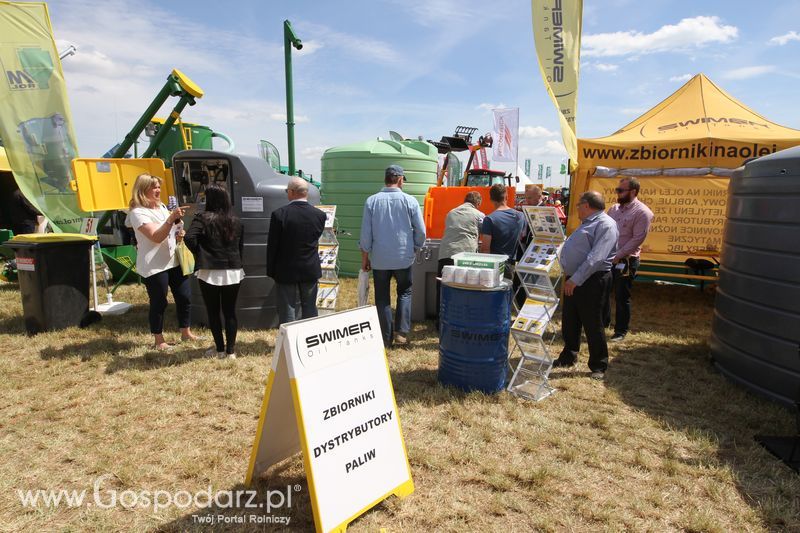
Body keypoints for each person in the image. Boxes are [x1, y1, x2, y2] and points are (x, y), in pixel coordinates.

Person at [126, 173, 199, 350]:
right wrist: (170, 219)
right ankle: (159, 340)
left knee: (184, 297)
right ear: (143, 190)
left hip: (174, 260)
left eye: (159, 186)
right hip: (154, 265)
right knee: (159, 302)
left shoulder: (162, 207)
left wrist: (178, 233)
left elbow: (170, 231)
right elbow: (156, 237)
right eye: (154, 187)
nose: (158, 190)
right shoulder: (137, 213)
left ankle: (186, 332)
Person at [552, 191, 618, 380]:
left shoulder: (606, 225)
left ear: (587, 205)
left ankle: (598, 364)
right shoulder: (588, 223)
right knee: (570, 319)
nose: (577, 209)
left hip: (592, 279)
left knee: (592, 321)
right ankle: (568, 355)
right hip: (575, 278)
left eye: (578, 205)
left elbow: (596, 257)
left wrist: (576, 279)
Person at [360, 164, 426, 347]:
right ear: (399, 179)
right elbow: (421, 231)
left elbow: (366, 235)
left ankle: (385, 337)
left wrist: (365, 259)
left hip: (380, 259)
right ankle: (401, 333)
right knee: (404, 292)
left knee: (382, 297)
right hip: (403, 257)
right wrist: (415, 247)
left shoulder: (371, 201)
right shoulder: (410, 201)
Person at [184, 184, 244, 359]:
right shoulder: (236, 220)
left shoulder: (203, 218)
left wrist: (200, 253)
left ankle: (219, 350)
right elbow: (240, 247)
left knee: (213, 311)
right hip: (233, 269)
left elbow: (189, 237)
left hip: (209, 270)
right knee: (230, 311)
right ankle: (231, 351)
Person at [267, 177, 327, 325]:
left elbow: (272, 246)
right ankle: (310, 339)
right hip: (310, 267)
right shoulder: (320, 215)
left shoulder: (279, 215)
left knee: (287, 309)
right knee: (310, 308)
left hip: (285, 268)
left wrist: (271, 270)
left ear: (292, 192)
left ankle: (289, 344)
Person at [603, 177, 654, 342]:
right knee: (603, 291)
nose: (617, 193)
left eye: (621, 190)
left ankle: (620, 331)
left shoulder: (642, 212)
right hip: (609, 258)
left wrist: (617, 257)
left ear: (633, 192)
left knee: (621, 296)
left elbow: (637, 239)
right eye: (617, 190)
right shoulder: (614, 209)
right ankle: (603, 323)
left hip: (626, 261)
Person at [436, 191, 484, 325]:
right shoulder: (479, 215)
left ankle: (440, 321)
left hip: (446, 254)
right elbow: (484, 232)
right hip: (465, 256)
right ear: (478, 203)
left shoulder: (451, 212)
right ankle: (460, 319)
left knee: (443, 287)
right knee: (463, 287)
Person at [480, 183, 525, 260]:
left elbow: (485, 249)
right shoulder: (520, 216)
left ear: (491, 199)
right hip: (511, 263)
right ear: (506, 197)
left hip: (495, 264)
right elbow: (522, 237)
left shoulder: (489, 219)